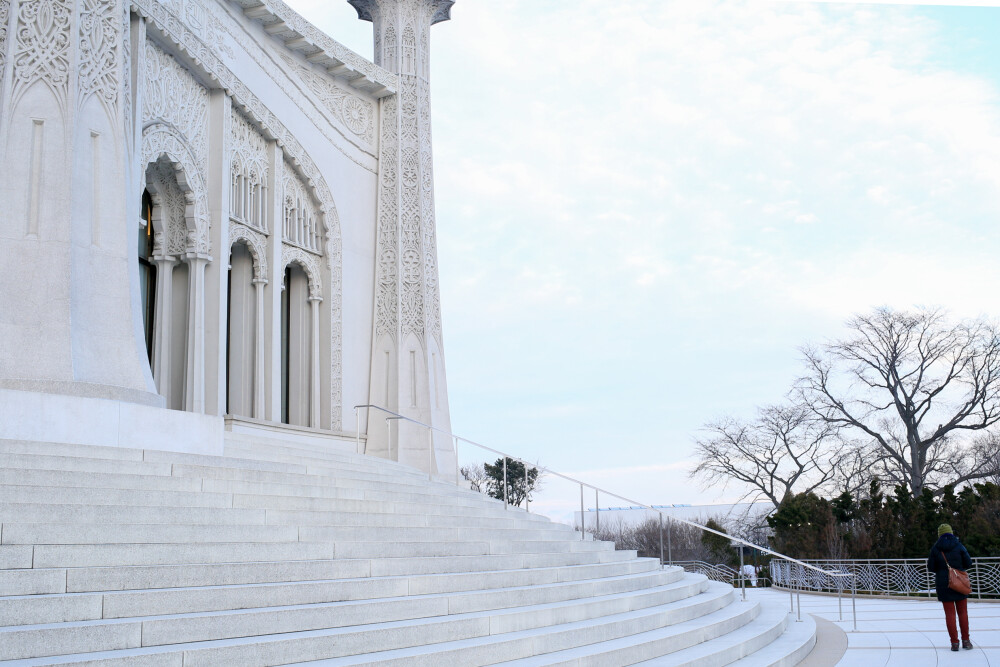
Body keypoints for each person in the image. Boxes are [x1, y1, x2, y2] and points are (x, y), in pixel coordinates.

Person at [927, 523, 973, 651]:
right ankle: (966, 641)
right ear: (951, 532)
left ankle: (954, 643)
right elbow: (968, 563)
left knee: (950, 614)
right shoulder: (958, 545)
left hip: (943, 584)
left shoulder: (936, 548)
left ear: (939, 535)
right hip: (960, 583)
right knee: (963, 613)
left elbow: (931, 567)